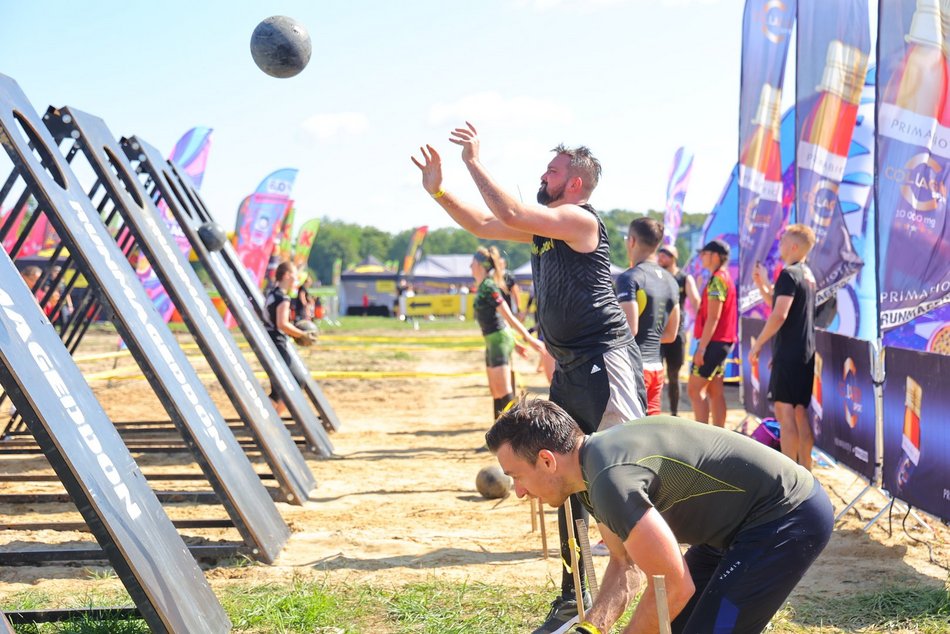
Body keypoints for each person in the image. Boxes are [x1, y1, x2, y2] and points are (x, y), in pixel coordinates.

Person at [412, 123, 646, 633]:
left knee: (619, 474)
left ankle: (637, 572)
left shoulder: (580, 220)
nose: (544, 175)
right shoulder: (546, 229)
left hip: (606, 362)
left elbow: (510, 211)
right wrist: (440, 190)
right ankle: (575, 594)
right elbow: (482, 223)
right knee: (561, 471)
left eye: (554, 171)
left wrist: (474, 160)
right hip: (570, 365)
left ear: (577, 184)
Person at [486, 398, 833, 634]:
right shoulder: (588, 472)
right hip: (734, 529)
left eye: (516, 476)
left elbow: (674, 586)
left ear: (547, 460)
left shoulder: (610, 481)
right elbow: (625, 566)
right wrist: (592, 628)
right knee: (675, 625)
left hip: (789, 513)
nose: (518, 491)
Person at [749, 224, 818, 471]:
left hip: (791, 354)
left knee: (786, 414)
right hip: (803, 352)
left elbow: (779, 315)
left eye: (783, 240)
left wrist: (758, 344)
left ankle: (791, 479)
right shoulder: (807, 274)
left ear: (794, 246)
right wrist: (764, 286)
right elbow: (783, 308)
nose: (779, 244)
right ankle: (806, 473)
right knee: (799, 413)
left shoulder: (789, 274)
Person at [471, 245, 545, 423]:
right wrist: (516, 342)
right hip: (493, 341)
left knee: (504, 392)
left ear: (480, 266)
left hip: (499, 340)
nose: (470, 267)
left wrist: (527, 339)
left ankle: (513, 436)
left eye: (472, 263)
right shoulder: (483, 286)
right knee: (496, 391)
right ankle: (499, 433)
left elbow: (508, 317)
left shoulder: (489, 286)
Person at [615, 218, 680, 416]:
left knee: (629, 430)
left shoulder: (630, 277)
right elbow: (671, 335)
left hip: (634, 368)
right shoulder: (672, 281)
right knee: (651, 430)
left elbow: (629, 330)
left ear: (632, 241)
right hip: (656, 368)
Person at [687, 239, 737, 427]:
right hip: (722, 341)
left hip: (715, 342)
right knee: (715, 391)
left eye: (705, 253)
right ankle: (720, 435)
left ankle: (703, 439)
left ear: (716, 256)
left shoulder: (718, 279)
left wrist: (701, 349)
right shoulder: (722, 277)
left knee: (694, 390)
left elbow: (713, 318)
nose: (701, 257)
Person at [263, 261, 317, 415]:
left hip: (270, 341)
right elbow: (282, 324)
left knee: (278, 391)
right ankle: (272, 420)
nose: (297, 278)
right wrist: (302, 335)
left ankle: (268, 419)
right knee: (296, 381)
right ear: (286, 276)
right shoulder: (283, 298)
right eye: (294, 274)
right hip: (278, 343)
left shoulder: (272, 293)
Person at [656, 244, 699, 416]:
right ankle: (653, 412)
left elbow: (696, 302)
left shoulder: (684, 278)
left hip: (676, 333)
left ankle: (674, 413)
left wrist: (701, 327)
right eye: (659, 255)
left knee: (673, 376)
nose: (660, 258)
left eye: (665, 255)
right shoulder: (656, 276)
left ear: (673, 257)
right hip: (656, 333)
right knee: (654, 375)